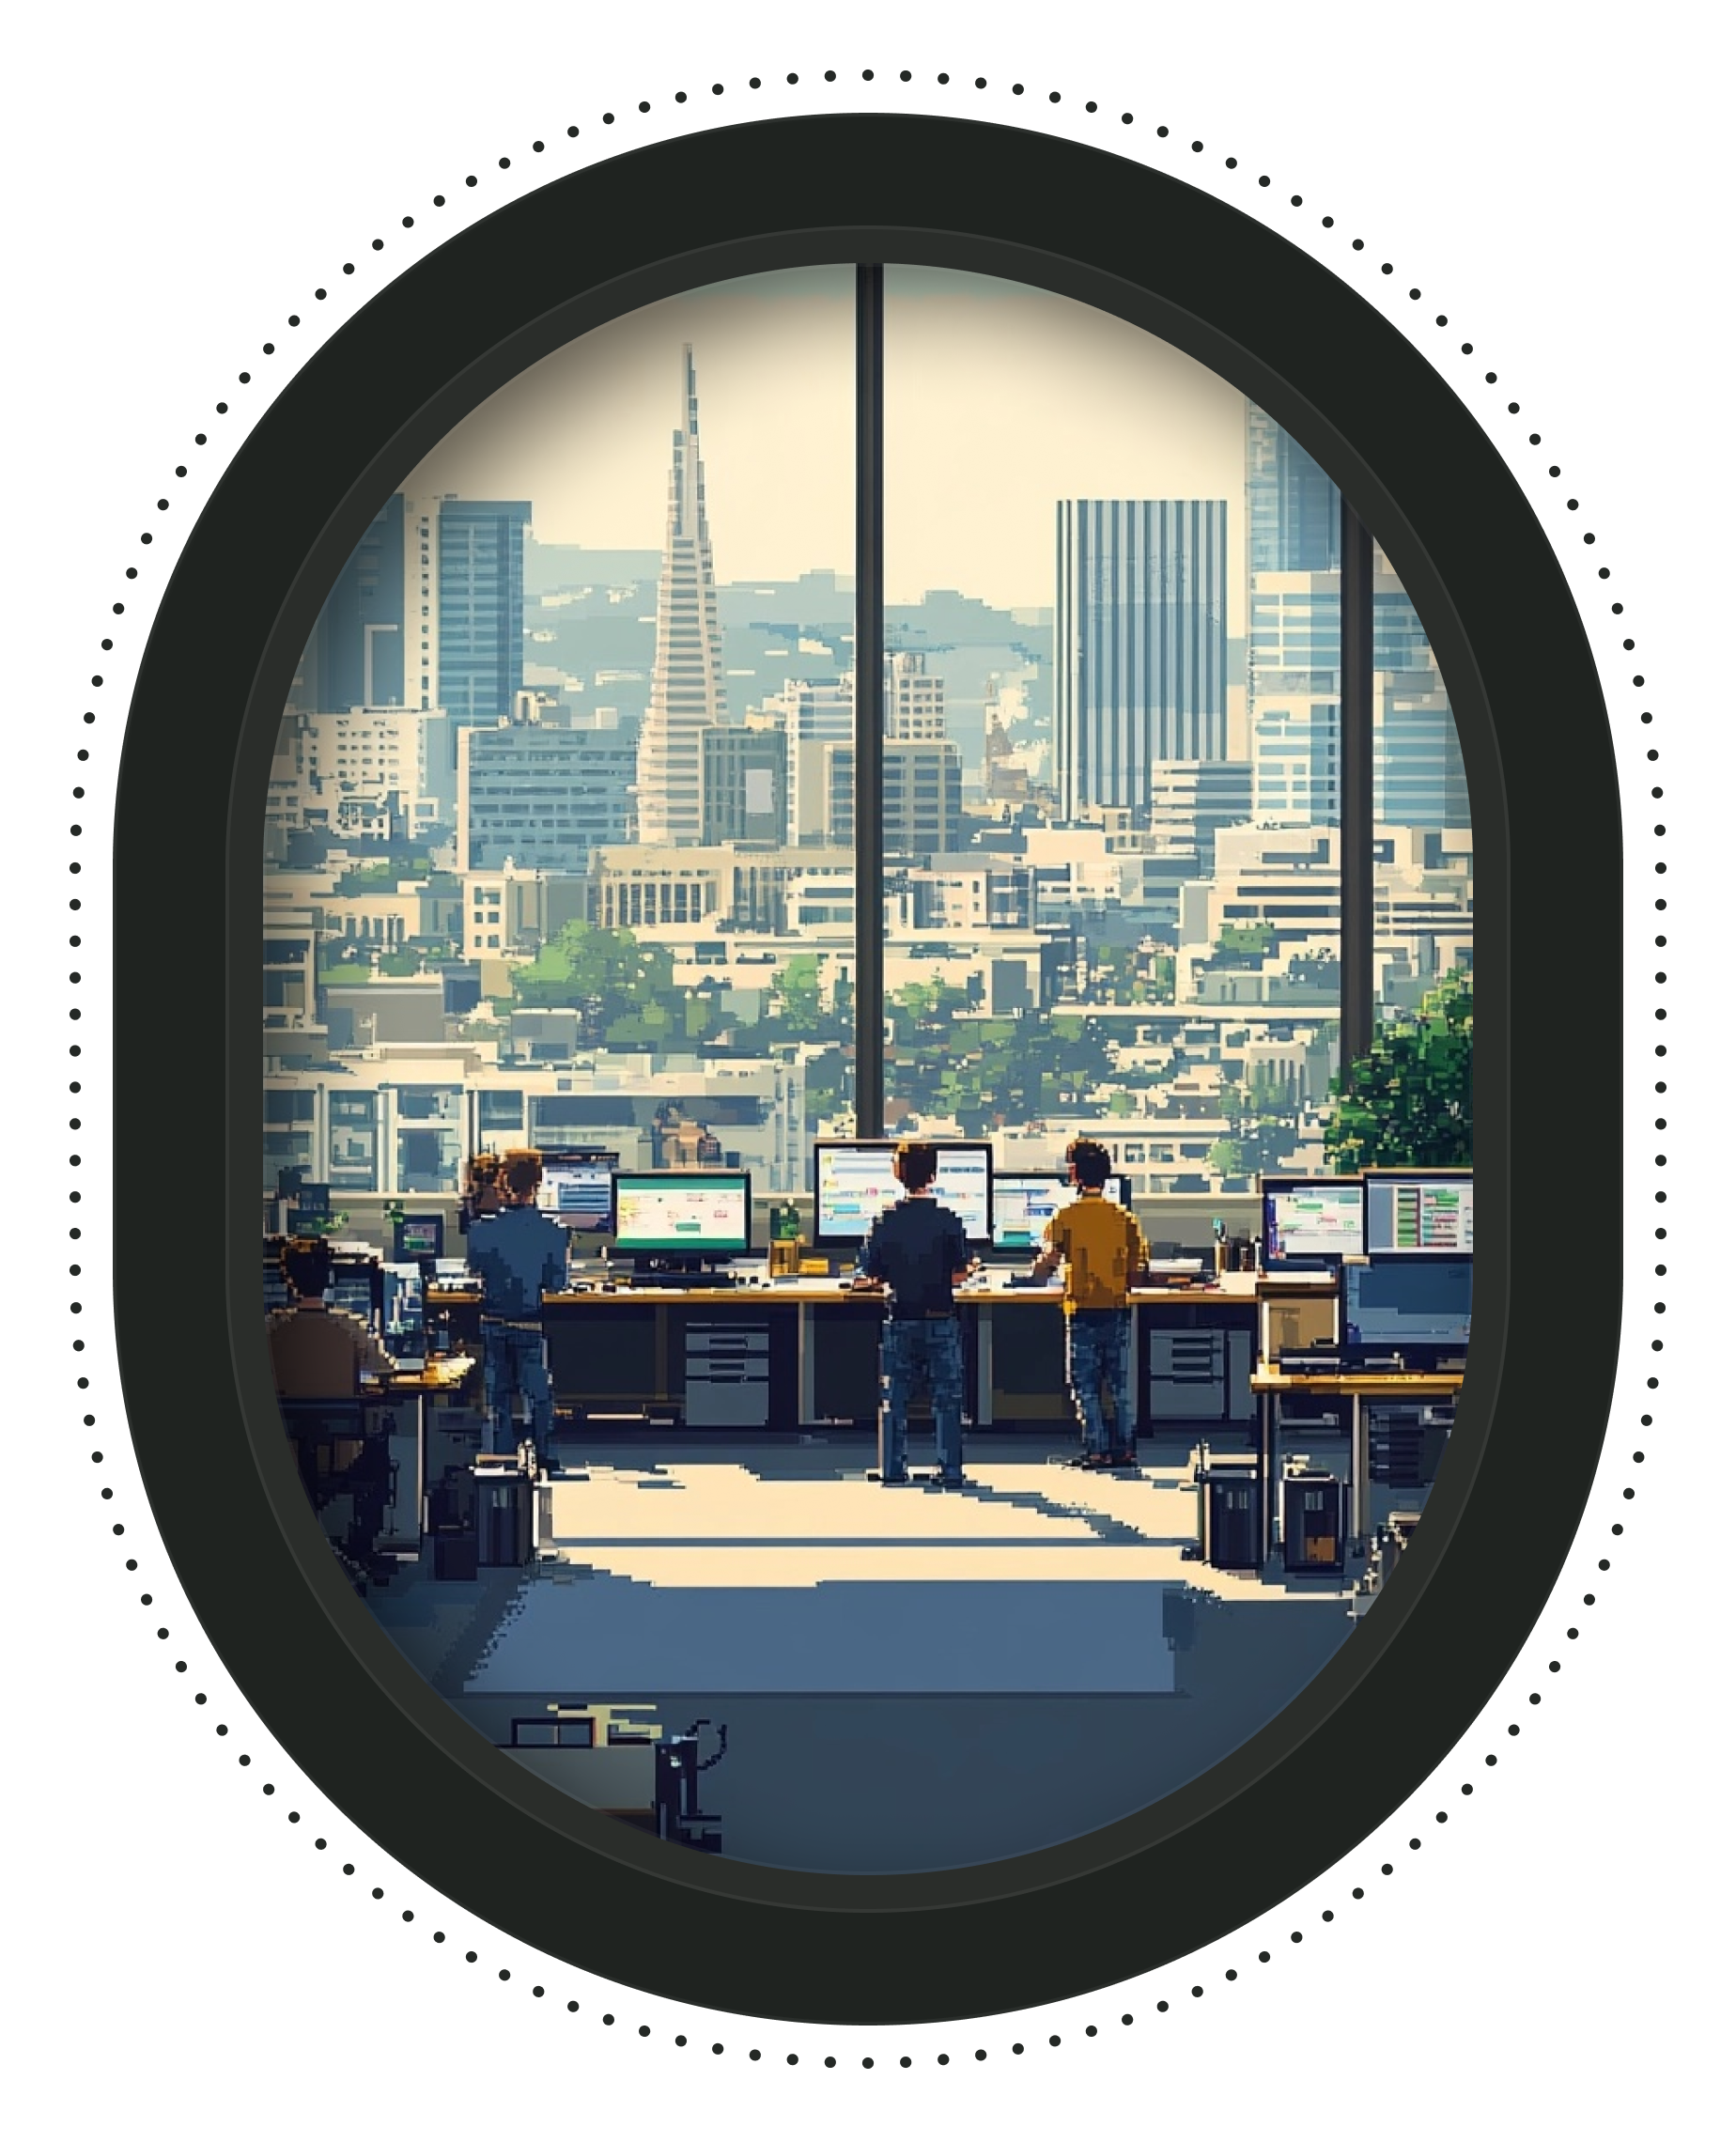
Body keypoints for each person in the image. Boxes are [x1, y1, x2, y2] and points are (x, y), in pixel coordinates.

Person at [851, 1141, 976, 1487]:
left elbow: (869, 1275)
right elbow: (959, 1273)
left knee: (895, 1397)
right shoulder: (947, 1220)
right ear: (933, 1174)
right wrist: (970, 1267)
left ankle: (893, 1469)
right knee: (947, 1398)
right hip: (941, 1317)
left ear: (897, 1173)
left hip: (901, 1317)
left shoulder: (885, 1220)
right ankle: (950, 1470)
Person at [1030, 1138, 1149, 1470]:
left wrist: (1034, 1272)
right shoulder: (1123, 1217)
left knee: (1086, 1386)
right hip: (1117, 1309)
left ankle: (1096, 1450)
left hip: (1081, 1311)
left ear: (1074, 1175)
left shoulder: (1065, 1216)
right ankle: (1125, 1450)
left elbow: (1048, 1263)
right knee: (1120, 1385)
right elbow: (1137, 1271)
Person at [465, 1148, 568, 1460]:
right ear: (537, 1184)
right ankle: (544, 1454)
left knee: (497, 1395)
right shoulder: (554, 1232)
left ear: (502, 1181)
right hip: (530, 1324)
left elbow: (475, 1269)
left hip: (493, 1323)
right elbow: (556, 1284)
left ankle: (501, 1455)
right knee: (537, 1394)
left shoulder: (480, 1231)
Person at [267, 1234, 396, 1399]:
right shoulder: (351, 1328)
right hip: (342, 1420)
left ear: (289, 1280)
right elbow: (382, 1368)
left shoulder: (271, 1328)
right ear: (328, 1276)